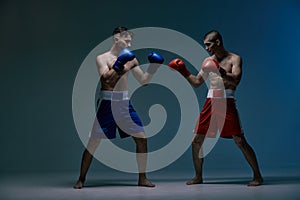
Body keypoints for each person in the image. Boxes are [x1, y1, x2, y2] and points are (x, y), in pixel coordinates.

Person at [168, 30, 263, 186]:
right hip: (210, 101)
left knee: (239, 140)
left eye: (209, 44)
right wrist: (183, 71)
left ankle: (258, 176)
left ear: (218, 42)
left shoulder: (235, 59)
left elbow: (236, 81)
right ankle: (198, 176)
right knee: (196, 141)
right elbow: (197, 82)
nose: (206, 48)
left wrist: (220, 71)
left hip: (227, 101)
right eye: (205, 45)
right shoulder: (207, 61)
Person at [73, 26, 164, 189]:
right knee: (93, 143)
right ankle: (81, 179)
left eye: (131, 40)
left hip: (124, 103)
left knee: (142, 139)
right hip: (107, 103)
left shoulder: (132, 59)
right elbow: (106, 80)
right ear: (116, 39)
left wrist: (153, 67)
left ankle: (142, 178)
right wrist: (120, 64)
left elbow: (144, 81)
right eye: (126, 40)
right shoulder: (102, 58)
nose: (129, 43)